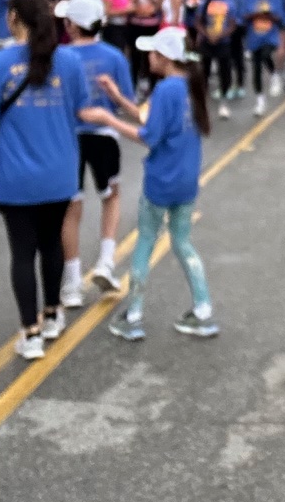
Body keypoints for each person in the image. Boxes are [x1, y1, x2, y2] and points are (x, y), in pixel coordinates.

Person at [0, 0, 87, 359]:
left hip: (14, 175)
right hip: (61, 171)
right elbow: (79, 109)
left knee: (22, 253)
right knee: (52, 244)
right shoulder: (70, 62)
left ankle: (31, 332)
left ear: (12, 17)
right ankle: (52, 314)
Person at [86, 25, 220, 342]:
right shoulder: (189, 85)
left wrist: (108, 119)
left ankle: (133, 315)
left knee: (145, 240)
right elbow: (153, 122)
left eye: (153, 52)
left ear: (164, 58)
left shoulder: (165, 90)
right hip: (186, 180)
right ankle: (203, 310)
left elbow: (148, 135)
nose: (148, 56)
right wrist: (118, 98)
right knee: (182, 242)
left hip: (161, 181)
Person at [58, 0, 134, 297]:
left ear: (73, 25)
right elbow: (126, 100)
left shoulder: (59, 56)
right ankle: (105, 262)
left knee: (71, 207)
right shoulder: (114, 56)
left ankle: (72, 280)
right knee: (111, 196)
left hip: (69, 136)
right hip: (104, 134)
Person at [242, 0, 283, 117]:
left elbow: (280, 17)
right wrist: (255, 15)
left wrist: (269, 15)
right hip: (254, 37)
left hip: (270, 36)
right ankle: (260, 100)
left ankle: (274, 75)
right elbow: (244, 16)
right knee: (256, 69)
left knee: (266, 54)